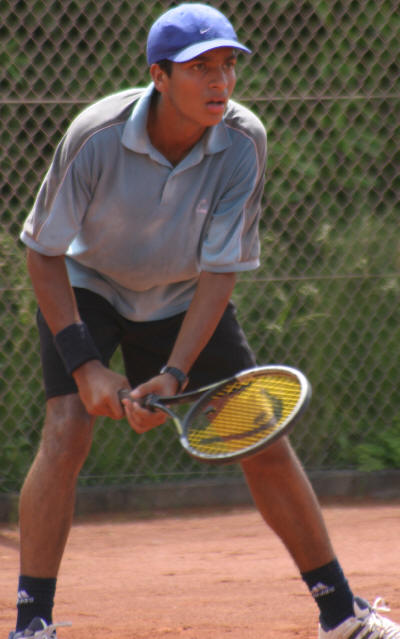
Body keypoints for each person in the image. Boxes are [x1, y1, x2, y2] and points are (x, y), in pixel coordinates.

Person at [11, 3, 400, 639]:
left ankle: (341, 616)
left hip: (185, 295)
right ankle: (32, 625)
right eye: (200, 68)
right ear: (159, 76)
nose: (220, 81)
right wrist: (86, 368)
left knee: (263, 439)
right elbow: (43, 251)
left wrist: (173, 372)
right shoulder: (95, 135)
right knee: (67, 429)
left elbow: (221, 270)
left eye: (227, 66)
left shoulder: (245, 140)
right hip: (88, 285)